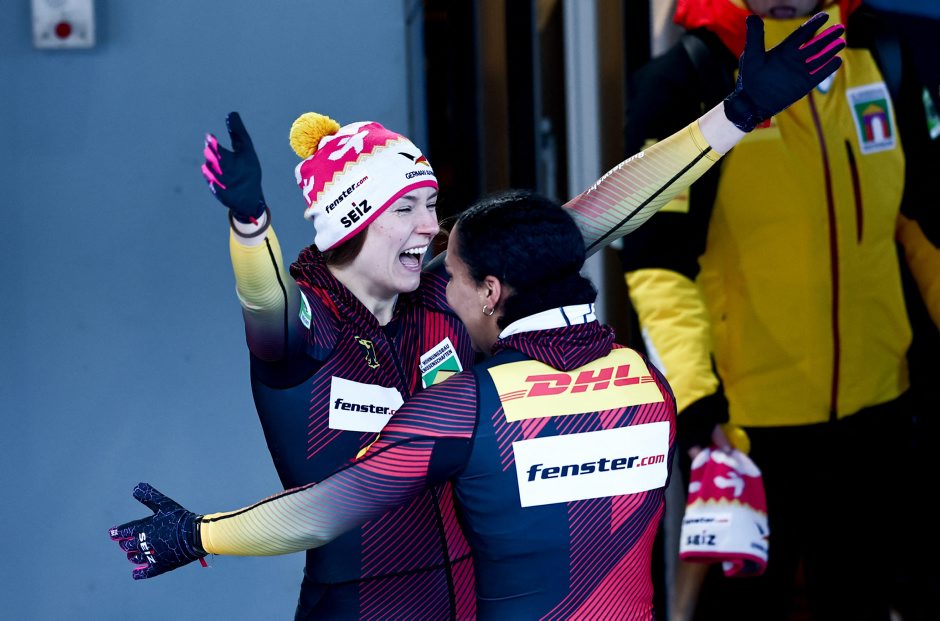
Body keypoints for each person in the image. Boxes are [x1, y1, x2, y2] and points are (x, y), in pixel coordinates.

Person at [112, 12, 846, 619]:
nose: (429, 227)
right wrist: (251, 225)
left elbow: (596, 213)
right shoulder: (309, 326)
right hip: (362, 603)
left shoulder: (452, 292)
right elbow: (264, 300)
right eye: (407, 208)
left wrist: (736, 115)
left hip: (475, 594)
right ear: (351, 220)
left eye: (432, 205)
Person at [111, 190, 682, 619]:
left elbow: (319, 513)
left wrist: (197, 534)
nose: (443, 292)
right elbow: (586, 222)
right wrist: (726, 121)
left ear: (490, 291)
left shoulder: (465, 407)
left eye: (451, 276)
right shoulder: (652, 384)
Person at [617, 1, 940, 619]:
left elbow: (923, 223)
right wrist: (697, 406)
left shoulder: (879, 51)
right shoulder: (688, 77)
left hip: (878, 413)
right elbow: (658, 263)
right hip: (747, 429)